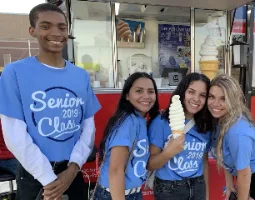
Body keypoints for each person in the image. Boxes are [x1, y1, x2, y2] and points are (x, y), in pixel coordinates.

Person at [0, 3, 101, 200]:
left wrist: (72, 170)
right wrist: (48, 178)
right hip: (34, 175)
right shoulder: (14, 73)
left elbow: (88, 129)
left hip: (72, 172)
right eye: (46, 26)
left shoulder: (80, 75)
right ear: (32, 30)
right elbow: (14, 136)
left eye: (62, 27)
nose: (56, 33)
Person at [208, 74, 255, 200]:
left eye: (223, 99)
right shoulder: (219, 120)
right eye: (211, 97)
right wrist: (229, 184)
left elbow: (244, 174)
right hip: (249, 175)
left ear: (233, 100)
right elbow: (223, 155)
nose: (215, 104)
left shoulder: (238, 132)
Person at [93, 72, 159, 200]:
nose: (146, 96)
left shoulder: (139, 119)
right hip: (115, 194)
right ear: (127, 95)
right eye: (139, 91)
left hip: (132, 192)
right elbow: (116, 171)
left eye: (151, 91)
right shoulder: (128, 122)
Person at [147, 73, 213, 200]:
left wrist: (206, 195)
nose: (196, 98)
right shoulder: (161, 122)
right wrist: (168, 152)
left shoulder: (205, 125)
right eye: (191, 92)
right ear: (182, 92)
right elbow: (150, 164)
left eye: (202, 95)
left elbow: (203, 162)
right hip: (169, 189)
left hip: (198, 185)